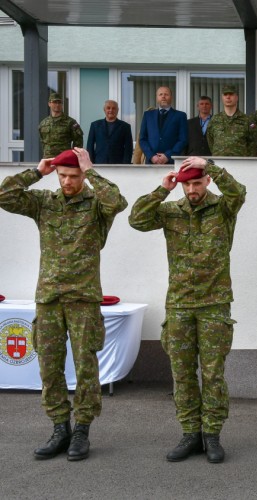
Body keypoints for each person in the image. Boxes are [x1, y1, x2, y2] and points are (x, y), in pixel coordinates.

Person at [0, 148, 127, 461]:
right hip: (50, 298)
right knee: (50, 367)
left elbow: (118, 202)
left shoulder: (97, 204)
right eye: (63, 176)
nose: (67, 181)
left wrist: (92, 171)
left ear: (82, 175)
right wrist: (37, 172)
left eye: (73, 176)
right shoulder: (45, 203)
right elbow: (4, 195)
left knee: (86, 367)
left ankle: (82, 429)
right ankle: (59, 428)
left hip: (83, 298)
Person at [128, 156, 246, 464]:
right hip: (179, 303)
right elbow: (136, 219)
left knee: (213, 374)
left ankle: (213, 436)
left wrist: (211, 165)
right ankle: (190, 433)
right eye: (187, 184)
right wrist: (162, 189)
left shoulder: (223, 208)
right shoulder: (170, 212)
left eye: (197, 182)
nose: (192, 189)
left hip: (214, 304)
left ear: (206, 181)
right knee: (181, 374)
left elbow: (238, 192)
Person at [138, 86, 188, 165]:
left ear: (171, 97)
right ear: (157, 97)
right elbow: (142, 139)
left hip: (172, 162)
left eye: (166, 94)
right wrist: (152, 156)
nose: (163, 96)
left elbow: (183, 139)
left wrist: (167, 156)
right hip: (151, 162)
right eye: (160, 94)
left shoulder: (180, 116)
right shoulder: (148, 115)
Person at [206, 85, 252, 157]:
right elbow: (210, 140)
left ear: (236, 97)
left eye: (231, 94)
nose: (228, 97)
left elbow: (252, 142)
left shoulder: (246, 120)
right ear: (222, 97)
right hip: (219, 162)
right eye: (225, 94)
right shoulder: (215, 119)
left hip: (240, 162)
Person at [86, 100, 133, 164]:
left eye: (114, 108)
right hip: (99, 163)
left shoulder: (125, 127)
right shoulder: (95, 125)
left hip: (118, 165)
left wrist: (125, 165)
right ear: (104, 109)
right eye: (108, 108)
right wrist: (90, 163)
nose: (111, 110)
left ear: (117, 110)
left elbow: (128, 149)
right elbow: (90, 146)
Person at [38, 93, 84, 159]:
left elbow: (78, 142)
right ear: (49, 104)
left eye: (59, 102)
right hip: (48, 160)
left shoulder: (71, 122)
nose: (57, 105)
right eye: (54, 102)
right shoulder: (43, 124)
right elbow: (43, 142)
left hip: (64, 160)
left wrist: (74, 158)